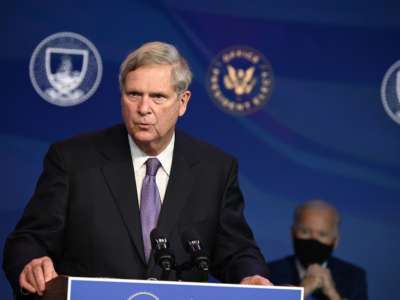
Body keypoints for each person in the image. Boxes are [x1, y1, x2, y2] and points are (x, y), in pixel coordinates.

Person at [3, 41, 271, 298]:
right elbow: (28, 240)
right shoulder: (73, 160)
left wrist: (252, 276)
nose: (144, 109)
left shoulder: (215, 169)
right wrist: (30, 263)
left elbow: (236, 250)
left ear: (183, 102)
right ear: (122, 97)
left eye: (157, 97)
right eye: (134, 95)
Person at [268, 199, 367, 300]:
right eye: (305, 232)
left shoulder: (353, 277)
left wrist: (332, 294)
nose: (313, 240)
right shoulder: (269, 272)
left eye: (322, 234)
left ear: (335, 240)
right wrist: (304, 289)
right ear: (293, 233)